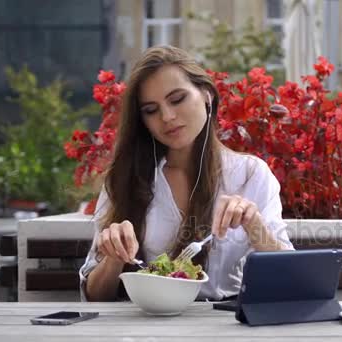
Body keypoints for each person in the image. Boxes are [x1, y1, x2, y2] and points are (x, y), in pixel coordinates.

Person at [79, 46, 294, 302]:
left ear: (206, 96)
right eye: (151, 110)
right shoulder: (126, 177)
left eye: (177, 99)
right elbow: (94, 295)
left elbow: (290, 276)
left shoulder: (250, 174)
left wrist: (254, 225)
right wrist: (113, 258)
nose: (167, 117)